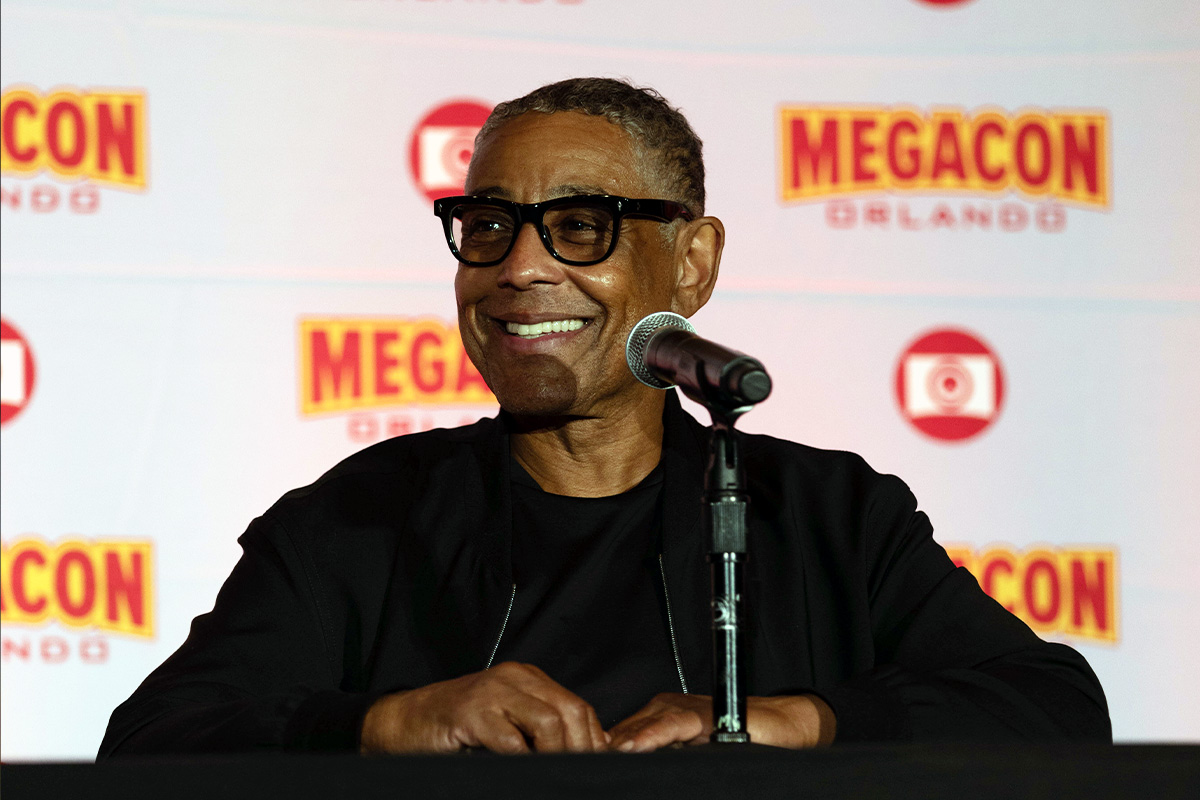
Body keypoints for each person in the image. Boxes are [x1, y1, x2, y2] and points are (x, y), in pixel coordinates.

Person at [99, 78, 1110, 757]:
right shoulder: (359, 518)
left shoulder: (827, 514)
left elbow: (1054, 707)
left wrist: (782, 721)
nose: (521, 268)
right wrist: (394, 720)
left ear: (693, 263)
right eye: (488, 225)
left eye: (581, 226)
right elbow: (154, 741)